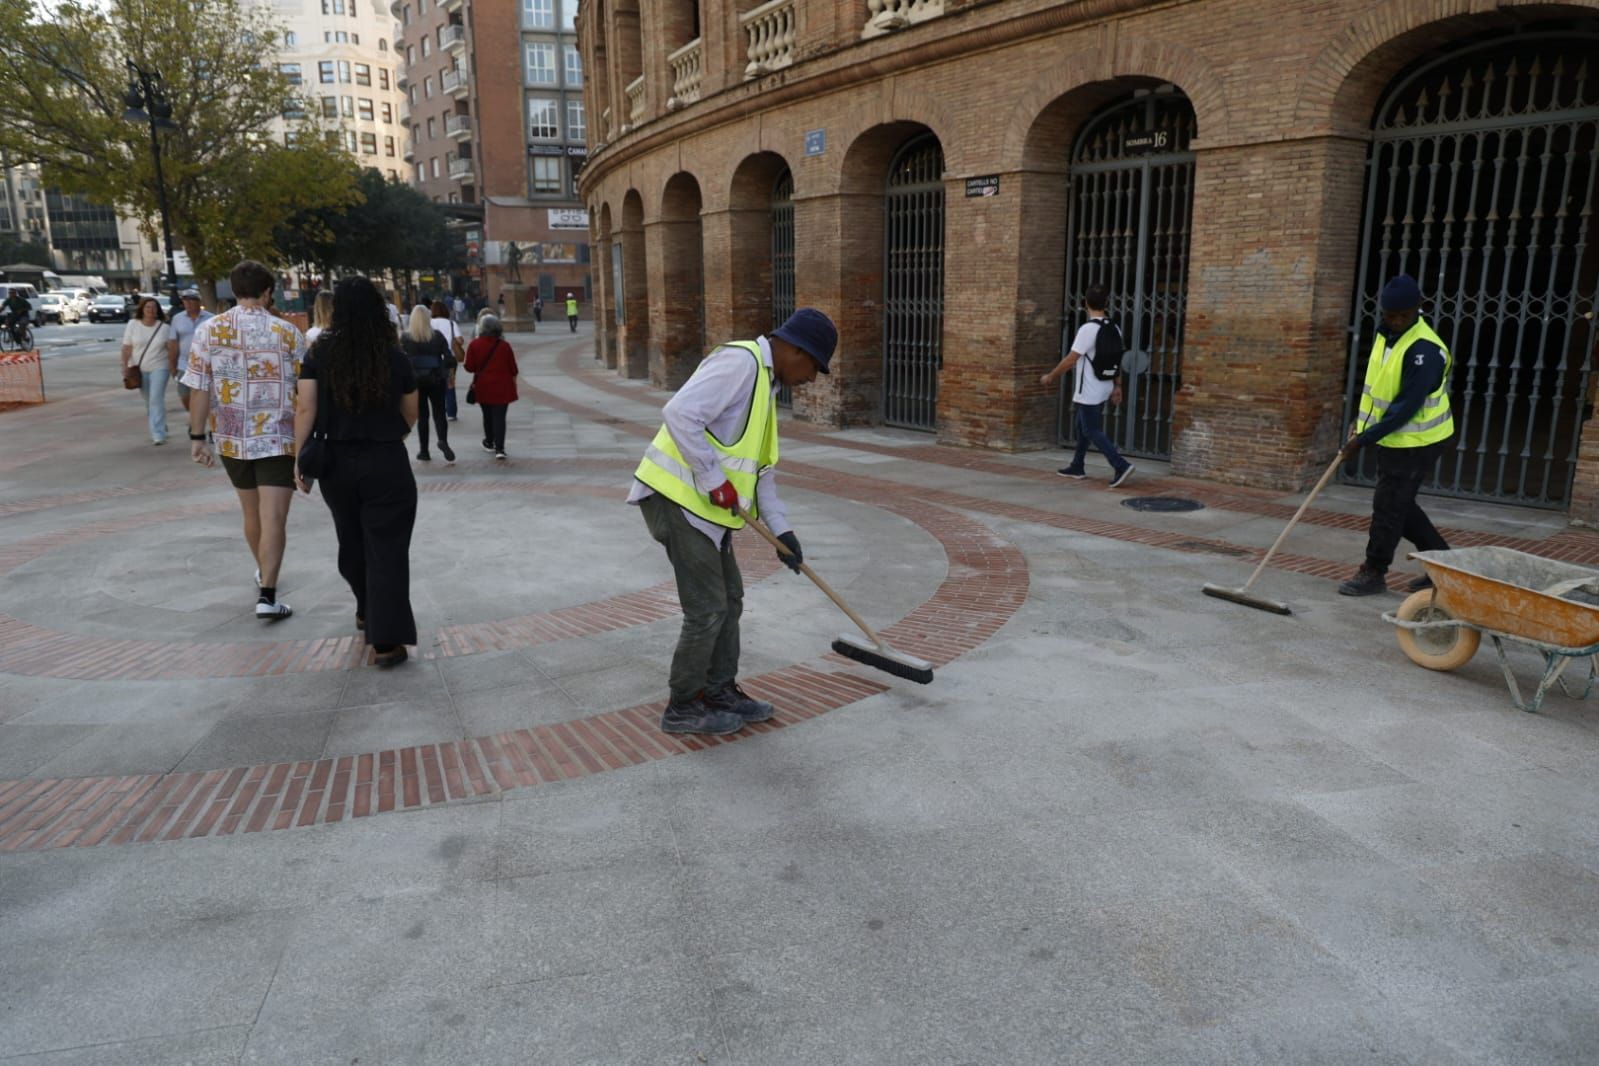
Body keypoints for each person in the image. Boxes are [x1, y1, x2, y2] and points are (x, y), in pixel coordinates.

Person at [628, 307, 834, 735]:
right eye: (813, 366)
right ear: (794, 349)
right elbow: (680, 413)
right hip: (677, 500)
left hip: (708, 512)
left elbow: (761, 472)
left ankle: (719, 689)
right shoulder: (741, 362)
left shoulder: (766, 385)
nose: (812, 379)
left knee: (731, 599)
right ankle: (683, 705)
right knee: (707, 608)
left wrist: (783, 533)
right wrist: (712, 478)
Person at [294, 276, 419, 668]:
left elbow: (305, 408)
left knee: (351, 541)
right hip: (385, 460)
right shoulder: (394, 355)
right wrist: (385, 431)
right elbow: (410, 414)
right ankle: (385, 641)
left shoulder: (318, 353)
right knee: (387, 549)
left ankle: (366, 607)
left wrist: (300, 457)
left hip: (334, 460)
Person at [183, 260, 306, 621]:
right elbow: (306, 391)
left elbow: (199, 389)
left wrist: (197, 438)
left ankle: (264, 574)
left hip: (231, 435)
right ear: (268, 292)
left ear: (234, 291)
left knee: (251, 513)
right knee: (275, 517)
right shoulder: (288, 334)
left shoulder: (209, 332)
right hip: (278, 435)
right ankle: (267, 593)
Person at [1338, 274, 1453, 597]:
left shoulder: (1425, 351)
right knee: (1398, 504)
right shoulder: (1385, 335)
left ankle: (1374, 571)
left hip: (1418, 441)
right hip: (1394, 438)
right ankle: (1445, 565)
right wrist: (1360, 427)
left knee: (1388, 507)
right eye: (1391, 315)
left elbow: (1404, 408)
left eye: (1404, 315)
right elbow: (1377, 392)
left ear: (1419, 308)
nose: (1398, 321)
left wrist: (1363, 440)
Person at [1041, 282, 1135, 489]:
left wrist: (1051, 376)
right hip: (1105, 385)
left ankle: (1120, 465)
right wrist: (1118, 386)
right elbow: (1117, 359)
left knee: (1091, 429)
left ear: (1085, 303)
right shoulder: (1114, 327)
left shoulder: (1087, 329)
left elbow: (1070, 360)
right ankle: (1077, 466)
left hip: (1090, 390)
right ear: (1106, 303)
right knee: (1081, 425)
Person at [401, 304, 454, 464]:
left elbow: (400, 358)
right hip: (436, 378)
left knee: (422, 416)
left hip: (415, 380)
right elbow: (448, 357)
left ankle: (424, 451)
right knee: (439, 412)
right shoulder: (437, 336)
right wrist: (448, 373)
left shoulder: (405, 337)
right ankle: (443, 440)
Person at [463, 314, 519, 460]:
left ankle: (489, 441)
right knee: (500, 417)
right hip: (503, 386)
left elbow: (469, 367)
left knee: (487, 415)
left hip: (483, 385)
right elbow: (513, 368)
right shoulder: (504, 346)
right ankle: (500, 448)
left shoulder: (474, 345)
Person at [121, 297, 174, 445]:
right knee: (149, 401)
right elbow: (127, 347)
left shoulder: (164, 328)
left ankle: (158, 433)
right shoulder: (133, 325)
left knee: (156, 399)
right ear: (142, 310)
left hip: (160, 367)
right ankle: (161, 424)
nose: (151, 310)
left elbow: (170, 350)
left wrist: (173, 365)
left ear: (158, 310)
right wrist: (124, 366)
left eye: (154, 307)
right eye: (148, 307)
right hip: (139, 368)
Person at [168, 289, 213, 413]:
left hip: (204, 365)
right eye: (185, 300)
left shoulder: (211, 318)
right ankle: (194, 416)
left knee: (205, 395)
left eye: (192, 300)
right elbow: (173, 342)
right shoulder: (177, 319)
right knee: (184, 394)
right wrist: (172, 365)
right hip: (184, 364)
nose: (188, 303)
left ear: (199, 301)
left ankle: (202, 421)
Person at [431, 299, 465, 422]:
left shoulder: (429, 323)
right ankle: (451, 413)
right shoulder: (451, 324)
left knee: (435, 387)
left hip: (433, 360)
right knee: (450, 385)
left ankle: (438, 411)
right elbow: (460, 340)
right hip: (449, 360)